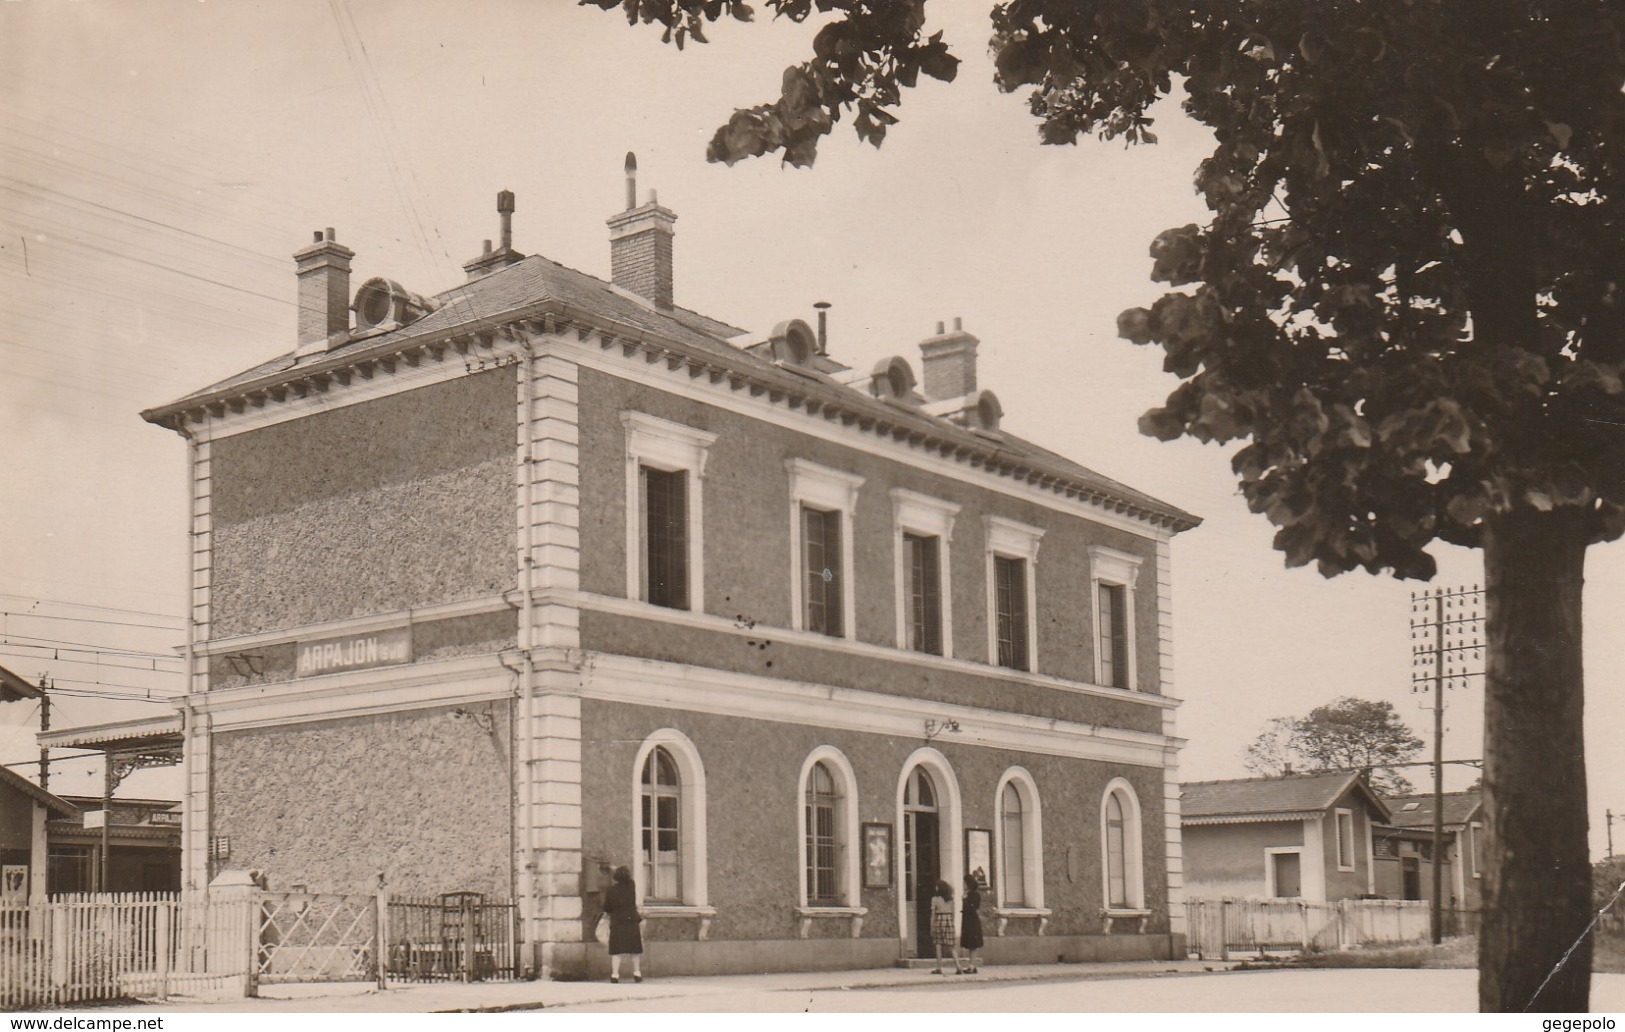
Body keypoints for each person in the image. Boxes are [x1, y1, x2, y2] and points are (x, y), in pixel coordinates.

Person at [602, 866, 643, 983]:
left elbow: (607, 907)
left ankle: (615, 975)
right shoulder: (631, 887)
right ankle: (637, 973)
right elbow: (630, 880)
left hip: (617, 921)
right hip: (631, 921)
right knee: (634, 949)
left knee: (616, 950)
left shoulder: (611, 890)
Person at [929, 879, 968, 974]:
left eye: (937, 886)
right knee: (951, 946)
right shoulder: (950, 900)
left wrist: (931, 926)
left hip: (939, 919)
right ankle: (958, 966)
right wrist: (952, 923)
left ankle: (939, 968)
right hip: (949, 920)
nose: (936, 888)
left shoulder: (935, 899)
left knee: (938, 945)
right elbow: (954, 913)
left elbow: (933, 914)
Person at [960, 874, 985, 974]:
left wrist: (965, 900)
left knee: (973, 944)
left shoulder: (974, 895)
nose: (963, 885)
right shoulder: (969, 894)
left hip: (972, 921)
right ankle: (972, 965)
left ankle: (971, 965)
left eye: (965, 883)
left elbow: (973, 907)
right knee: (971, 944)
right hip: (968, 921)